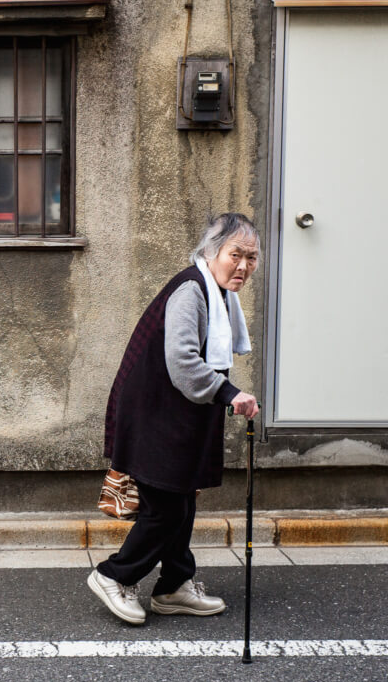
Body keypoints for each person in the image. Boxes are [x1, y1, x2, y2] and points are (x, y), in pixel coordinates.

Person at [87, 213, 261, 626]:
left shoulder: (218, 294)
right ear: (210, 251)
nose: (243, 266)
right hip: (155, 414)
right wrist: (229, 393)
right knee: (165, 509)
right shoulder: (191, 291)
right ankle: (113, 575)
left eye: (251, 258)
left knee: (181, 501)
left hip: (177, 414)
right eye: (235, 254)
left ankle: (174, 586)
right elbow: (182, 360)